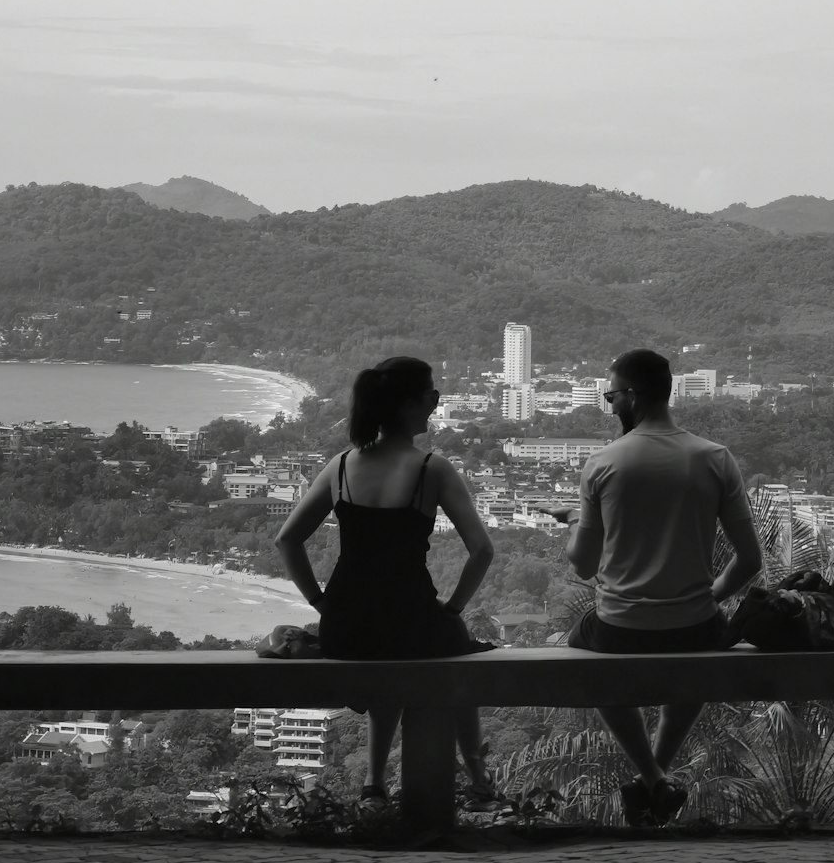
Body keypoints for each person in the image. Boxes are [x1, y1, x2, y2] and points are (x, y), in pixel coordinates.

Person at [547, 348, 763, 828]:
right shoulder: (714, 458)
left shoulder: (604, 463)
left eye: (610, 396)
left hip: (620, 628)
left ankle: (652, 777)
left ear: (632, 396)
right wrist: (708, 598)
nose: (609, 405)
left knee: (584, 653)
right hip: (694, 627)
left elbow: (582, 566)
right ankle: (655, 779)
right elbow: (750, 561)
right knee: (699, 657)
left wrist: (574, 522)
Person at [275, 356, 501, 814]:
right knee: (454, 652)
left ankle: (373, 783)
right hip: (414, 620)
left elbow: (287, 540)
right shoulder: (431, 470)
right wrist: (453, 609)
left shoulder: (340, 467)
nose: (436, 404)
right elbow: (482, 551)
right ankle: (479, 779)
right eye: (431, 395)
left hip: (346, 627)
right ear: (408, 405)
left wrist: (322, 603)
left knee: (389, 651)